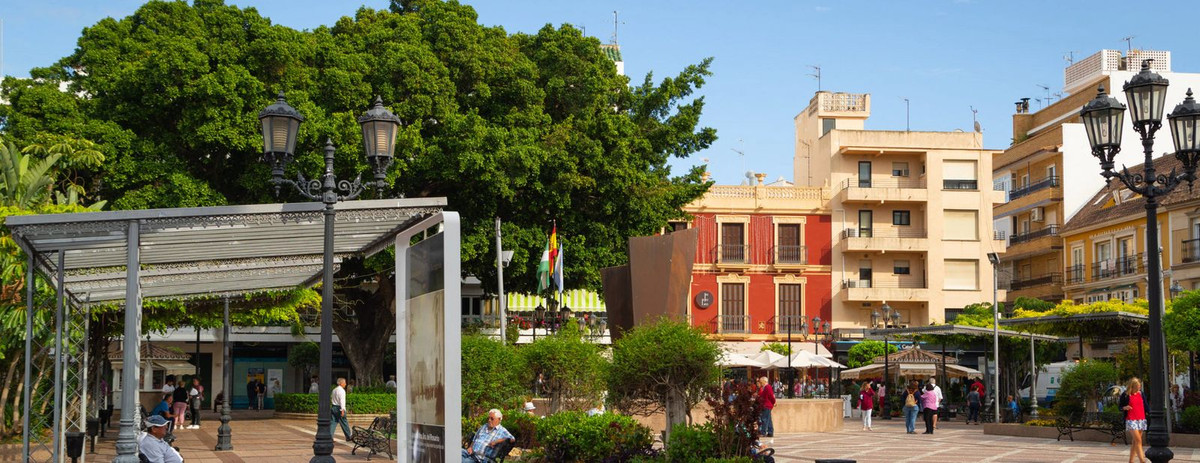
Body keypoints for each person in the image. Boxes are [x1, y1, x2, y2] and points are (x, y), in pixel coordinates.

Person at [1121, 378, 1148, 463]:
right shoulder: (1125, 395)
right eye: (1137, 386)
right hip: (1131, 420)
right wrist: (1125, 407)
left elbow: (1146, 405)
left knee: (1135, 441)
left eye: (1139, 386)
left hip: (1141, 419)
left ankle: (1131, 461)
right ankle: (1142, 461)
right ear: (1132, 386)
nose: (1139, 388)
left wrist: (1150, 413)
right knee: (1138, 440)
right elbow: (1120, 406)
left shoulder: (1141, 394)